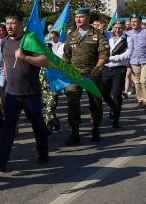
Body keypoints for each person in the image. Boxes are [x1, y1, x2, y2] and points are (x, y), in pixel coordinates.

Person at [0, 11, 49, 172]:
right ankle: (1, 160)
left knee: (38, 126)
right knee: (8, 128)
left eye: (13, 23)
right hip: (12, 94)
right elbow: (7, 65)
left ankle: (43, 152)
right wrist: (7, 84)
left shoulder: (30, 39)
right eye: (7, 23)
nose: (9, 26)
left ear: (21, 24)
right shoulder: (5, 41)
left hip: (30, 93)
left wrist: (25, 58)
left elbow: (45, 60)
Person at [63, 8, 109, 146]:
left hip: (92, 74)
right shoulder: (71, 36)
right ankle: (75, 133)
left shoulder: (98, 34)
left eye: (81, 16)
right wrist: (62, 72)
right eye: (76, 16)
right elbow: (66, 56)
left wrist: (98, 67)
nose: (78, 19)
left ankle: (95, 128)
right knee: (72, 102)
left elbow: (104, 53)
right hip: (74, 75)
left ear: (88, 18)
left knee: (95, 102)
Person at [102, 21, 133, 128]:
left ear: (124, 28)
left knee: (116, 94)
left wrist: (109, 58)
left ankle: (116, 118)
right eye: (115, 27)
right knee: (104, 93)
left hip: (119, 70)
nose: (117, 30)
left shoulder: (128, 39)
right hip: (106, 69)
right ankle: (113, 108)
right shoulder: (107, 36)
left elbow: (127, 55)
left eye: (120, 28)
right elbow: (100, 29)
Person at [41, 30, 65, 133]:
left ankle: (47, 128)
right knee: (48, 108)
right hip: (43, 90)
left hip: (53, 89)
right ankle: (56, 122)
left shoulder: (55, 64)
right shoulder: (40, 62)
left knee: (49, 109)